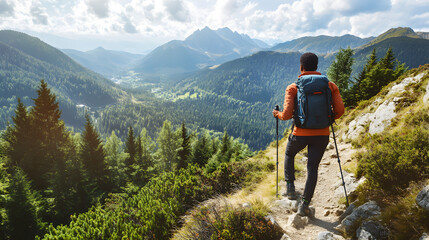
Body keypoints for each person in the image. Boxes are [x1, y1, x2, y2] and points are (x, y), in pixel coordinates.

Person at [272, 52, 344, 216]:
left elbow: (287, 115)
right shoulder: (330, 86)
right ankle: (304, 204)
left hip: (300, 133)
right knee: (312, 167)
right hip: (322, 134)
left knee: (289, 154)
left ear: (301, 67)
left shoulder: (293, 87)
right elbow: (340, 110)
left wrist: (276, 114)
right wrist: (328, 120)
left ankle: (290, 188)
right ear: (317, 66)